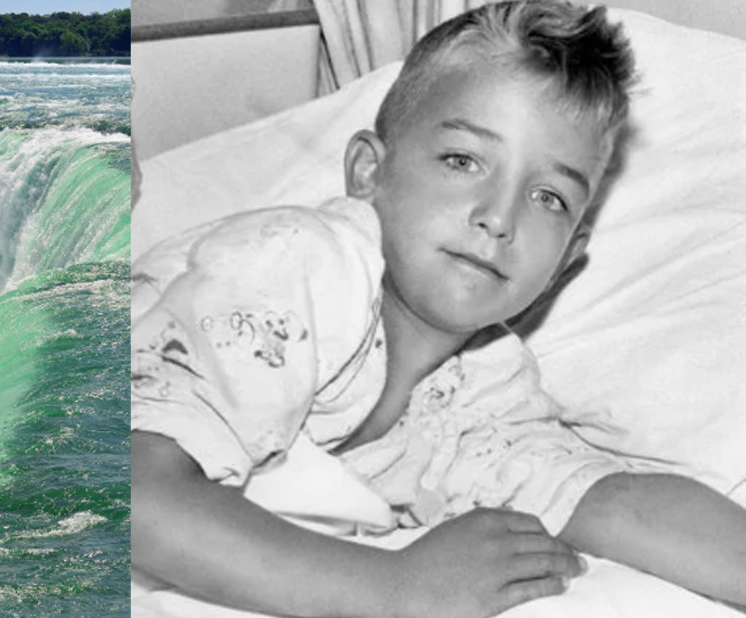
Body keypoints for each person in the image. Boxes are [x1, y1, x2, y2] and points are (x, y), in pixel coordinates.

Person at [130, 1, 746, 617]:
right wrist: (389, 588)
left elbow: (607, 499)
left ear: (565, 260)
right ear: (371, 171)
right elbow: (128, 491)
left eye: (549, 198)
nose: (499, 218)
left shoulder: (484, 385)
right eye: (462, 161)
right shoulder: (297, 264)